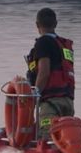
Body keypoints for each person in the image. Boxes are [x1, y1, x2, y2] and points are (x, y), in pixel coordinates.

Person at [24, 7, 75, 138]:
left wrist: (35, 95)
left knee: (47, 138)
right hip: (67, 101)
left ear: (37, 25)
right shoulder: (63, 45)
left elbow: (44, 72)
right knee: (64, 139)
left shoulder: (43, 42)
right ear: (56, 24)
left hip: (51, 104)